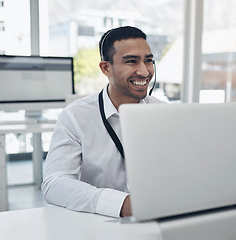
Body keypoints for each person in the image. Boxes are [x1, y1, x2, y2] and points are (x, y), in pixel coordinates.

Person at [41, 26, 164, 218]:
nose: (144, 71)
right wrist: (120, 204)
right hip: (99, 221)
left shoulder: (165, 114)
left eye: (148, 61)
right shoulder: (75, 117)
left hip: (157, 216)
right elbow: (54, 183)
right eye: (132, 61)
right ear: (106, 68)